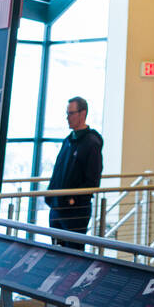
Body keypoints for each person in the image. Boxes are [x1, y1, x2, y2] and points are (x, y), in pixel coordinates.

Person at [45, 96, 103, 242]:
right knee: (55, 252)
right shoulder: (68, 141)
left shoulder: (91, 144)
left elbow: (92, 180)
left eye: (71, 113)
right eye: (67, 114)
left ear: (82, 114)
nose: (68, 118)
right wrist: (50, 196)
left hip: (75, 212)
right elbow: (58, 172)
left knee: (73, 253)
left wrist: (73, 199)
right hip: (57, 208)